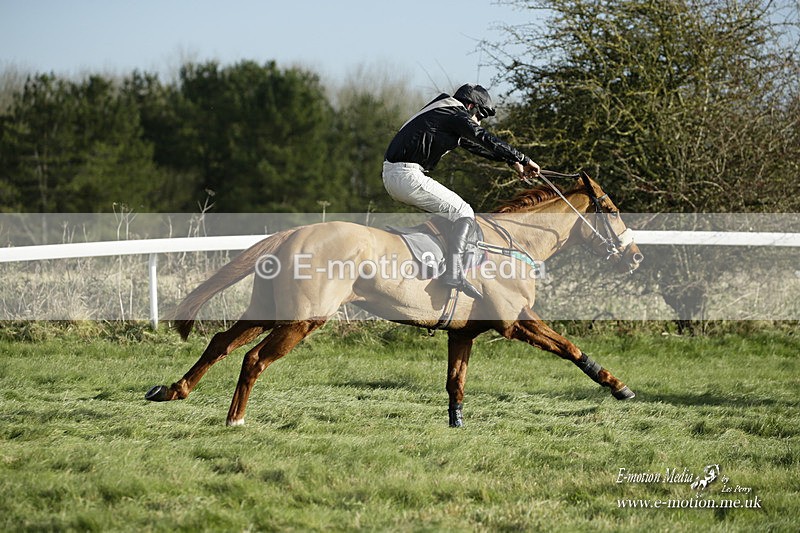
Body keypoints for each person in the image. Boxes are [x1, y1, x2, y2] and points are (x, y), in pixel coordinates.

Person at [383, 83, 540, 299]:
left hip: (397, 175)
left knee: (454, 214)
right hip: (406, 175)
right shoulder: (455, 113)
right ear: (470, 105)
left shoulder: (444, 111)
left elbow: (475, 145)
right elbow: (484, 137)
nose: (479, 121)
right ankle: (453, 273)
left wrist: (511, 161)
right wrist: (523, 158)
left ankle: (435, 261)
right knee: (464, 212)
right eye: (480, 115)